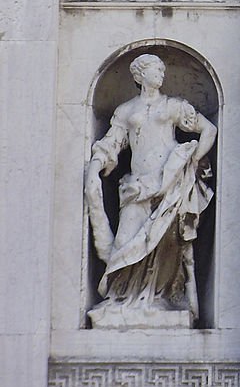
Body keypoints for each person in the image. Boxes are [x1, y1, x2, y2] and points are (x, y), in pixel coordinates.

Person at [84, 53, 217, 328]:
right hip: (136, 186)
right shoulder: (126, 111)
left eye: (162, 69)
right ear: (139, 75)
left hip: (168, 186)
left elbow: (209, 129)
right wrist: (96, 165)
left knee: (168, 246)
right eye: (156, 69)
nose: (161, 74)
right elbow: (112, 143)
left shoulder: (172, 107)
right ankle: (122, 299)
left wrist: (190, 162)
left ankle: (160, 299)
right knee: (126, 241)